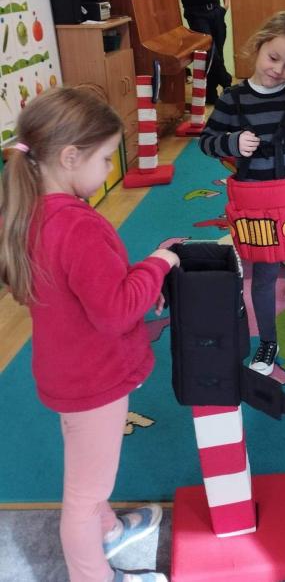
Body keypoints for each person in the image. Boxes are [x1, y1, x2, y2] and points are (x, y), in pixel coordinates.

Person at [0, 87, 180, 582]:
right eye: (104, 159)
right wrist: (159, 264)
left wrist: (139, 282)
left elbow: (87, 291)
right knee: (83, 494)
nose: (107, 169)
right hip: (93, 379)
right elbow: (116, 312)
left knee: (89, 470)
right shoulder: (77, 226)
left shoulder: (32, 212)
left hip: (68, 370)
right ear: (69, 157)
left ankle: (108, 529)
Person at [198, 12, 285, 389]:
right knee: (262, 278)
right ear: (258, 46)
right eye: (272, 57)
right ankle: (267, 343)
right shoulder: (233, 99)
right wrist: (231, 142)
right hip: (258, 204)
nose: (278, 70)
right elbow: (206, 141)